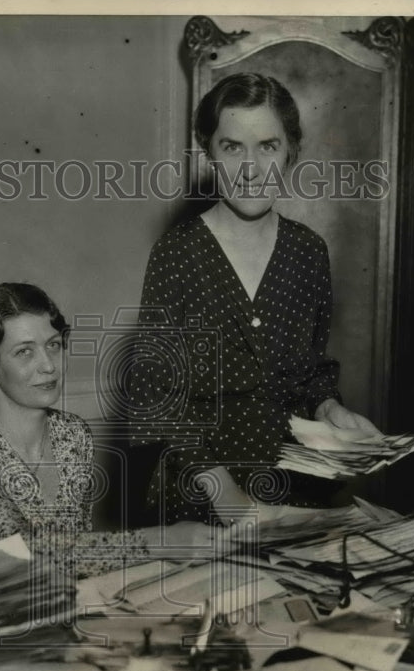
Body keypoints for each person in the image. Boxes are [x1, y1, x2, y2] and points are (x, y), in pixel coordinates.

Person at [128, 72, 379, 525]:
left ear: (290, 152)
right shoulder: (178, 252)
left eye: (268, 146)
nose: (250, 168)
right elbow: (153, 392)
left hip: (295, 487)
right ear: (208, 151)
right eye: (232, 147)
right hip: (200, 490)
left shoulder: (308, 252)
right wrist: (222, 490)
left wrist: (330, 408)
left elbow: (310, 372)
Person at [0, 282, 227, 578]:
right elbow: (15, 555)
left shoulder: (73, 434)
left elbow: (78, 557)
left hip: (62, 606)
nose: (48, 366)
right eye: (24, 352)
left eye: (54, 345)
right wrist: (159, 542)